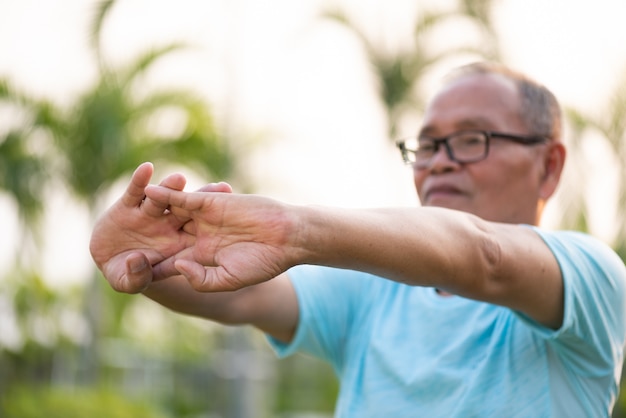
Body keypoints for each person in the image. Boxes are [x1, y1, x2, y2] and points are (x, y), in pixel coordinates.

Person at [90, 62, 626, 417]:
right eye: (428, 144)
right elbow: (246, 294)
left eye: (469, 139)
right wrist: (151, 258)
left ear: (549, 166)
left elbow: (482, 255)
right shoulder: (375, 293)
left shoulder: (589, 277)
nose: (438, 162)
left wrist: (295, 228)